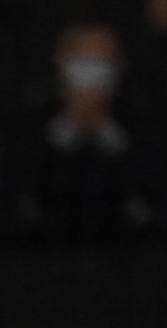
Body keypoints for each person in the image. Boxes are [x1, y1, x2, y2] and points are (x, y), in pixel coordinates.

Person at [18, 23, 156, 248]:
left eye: (105, 66)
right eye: (84, 66)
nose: (94, 81)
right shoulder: (24, 130)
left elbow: (149, 212)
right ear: (61, 62)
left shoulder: (146, 131)